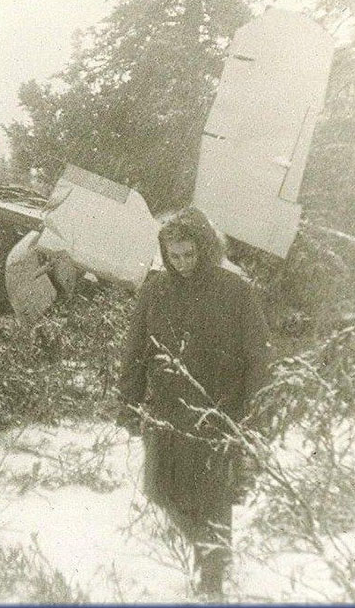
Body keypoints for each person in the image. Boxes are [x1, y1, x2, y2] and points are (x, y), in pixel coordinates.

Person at [117, 206, 272, 597]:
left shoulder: (236, 291)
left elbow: (258, 357)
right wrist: (128, 400)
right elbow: (135, 349)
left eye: (189, 254)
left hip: (217, 411)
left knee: (212, 498)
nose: (182, 263)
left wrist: (254, 414)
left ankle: (213, 580)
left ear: (205, 249)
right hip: (166, 409)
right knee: (158, 488)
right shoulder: (155, 289)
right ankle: (211, 554)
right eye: (174, 255)